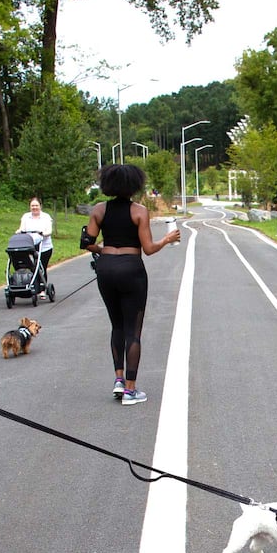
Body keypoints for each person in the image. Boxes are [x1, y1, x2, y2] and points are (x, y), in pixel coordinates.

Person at [82, 164, 180, 405]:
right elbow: (148, 249)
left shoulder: (99, 210)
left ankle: (118, 378)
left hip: (106, 268)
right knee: (132, 331)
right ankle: (130, 389)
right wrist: (167, 239)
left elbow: (87, 242)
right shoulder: (139, 211)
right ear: (134, 185)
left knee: (116, 325)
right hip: (131, 268)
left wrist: (104, 249)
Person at [18, 196, 54, 276]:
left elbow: (49, 230)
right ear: (30, 207)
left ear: (40, 206)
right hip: (29, 246)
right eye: (32, 206)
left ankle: (41, 286)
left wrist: (43, 233)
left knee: (41, 268)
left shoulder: (46, 217)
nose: (34, 207)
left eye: (36, 205)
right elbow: (22, 228)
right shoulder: (26, 216)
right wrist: (19, 231)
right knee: (31, 267)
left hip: (44, 248)